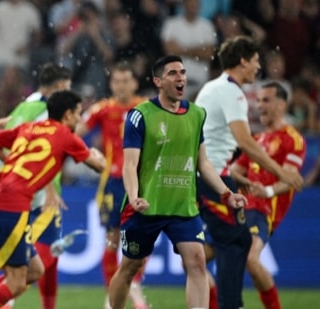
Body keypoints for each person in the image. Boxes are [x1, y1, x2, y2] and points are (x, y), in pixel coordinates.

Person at [107, 55, 248, 309]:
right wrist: (134, 194)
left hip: (183, 207)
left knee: (196, 262)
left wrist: (227, 194)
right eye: (172, 73)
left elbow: (203, 164)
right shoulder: (140, 115)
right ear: (158, 81)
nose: (180, 77)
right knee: (129, 268)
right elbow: (129, 164)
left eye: (182, 72)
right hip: (145, 206)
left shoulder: (197, 115)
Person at [194, 35, 303, 309]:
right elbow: (245, 143)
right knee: (235, 246)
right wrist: (283, 173)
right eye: (255, 61)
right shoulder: (232, 92)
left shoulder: (211, 87)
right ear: (243, 62)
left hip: (206, 176)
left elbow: (212, 140)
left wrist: (238, 179)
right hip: (212, 180)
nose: (257, 67)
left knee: (206, 252)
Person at [0, 90, 106, 309]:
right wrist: (99, 156)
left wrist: (15, 164)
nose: (80, 120)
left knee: (36, 270)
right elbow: (99, 167)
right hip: (11, 209)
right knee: (16, 283)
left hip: (2, 205)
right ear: (67, 115)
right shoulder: (66, 136)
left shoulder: (29, 127)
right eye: (78, 114)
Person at [0, 62, 72, 309]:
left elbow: (6, 151)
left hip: (13, 192)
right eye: (68, 91)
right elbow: (45, 151)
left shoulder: (22, 108)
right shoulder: (45, 112)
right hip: (38, 196)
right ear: (59, 88)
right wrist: (51, 188)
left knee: (43, 262)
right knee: (42, 258)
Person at [75, 61, 148, 309]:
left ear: (135, 83)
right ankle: (112, 294)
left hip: (141, 182)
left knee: (142, 237)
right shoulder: (103, 109)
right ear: (111, 83)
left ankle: (134, 284)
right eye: (116, 81)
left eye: (126, 80)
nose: (121, 85)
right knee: (112, 239)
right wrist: (87, 155)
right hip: (112, 183)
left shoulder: (146, 108)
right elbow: (74, 132)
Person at [229, 82, 305, 309]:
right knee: (196, 257)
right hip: (240, 206)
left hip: (262, 210)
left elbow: (291, 179)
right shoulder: (256, 140)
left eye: (266, 100)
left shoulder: (292, 139)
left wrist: (268, 191)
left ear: (282, 105)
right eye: (259, 100)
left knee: (250, 259)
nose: (259, 105)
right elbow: (234, 172)